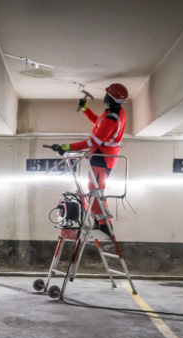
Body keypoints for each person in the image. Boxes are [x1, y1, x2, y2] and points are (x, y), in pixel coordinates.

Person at [52, 83, 128, 236]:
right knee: (96, 192)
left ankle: (104, 225)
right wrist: (86, 110)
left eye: (107, 96)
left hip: (102, 158)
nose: (104, 98)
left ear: (111, 99)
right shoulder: (113, 113)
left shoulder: (111, 118)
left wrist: (68, 147)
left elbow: (93, 142)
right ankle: (100, 222)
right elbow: (98, 124)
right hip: (103, 156)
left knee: (95, 193)